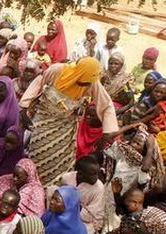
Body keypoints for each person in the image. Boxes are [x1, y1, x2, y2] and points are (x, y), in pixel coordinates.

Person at [20, 57, 118, 185]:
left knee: (60, 163)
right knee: (38, 155)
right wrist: (24, 107)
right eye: (86, 82)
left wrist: (108, 130)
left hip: (65, 130)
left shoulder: (92, 81)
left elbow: (106, 104)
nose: (88, 86)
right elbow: (39, 82)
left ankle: (52, 190)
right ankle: (31, 186)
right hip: (44, 124)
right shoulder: (57, 70)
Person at [60, 156, 105, 234]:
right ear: (80, 173)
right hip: (65, 211)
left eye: (97, 173)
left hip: (87, 220)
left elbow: (90, 216)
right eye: (93, 174)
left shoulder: (99, 188)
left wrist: (72, 207)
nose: (97, 177)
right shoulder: (66, 178)